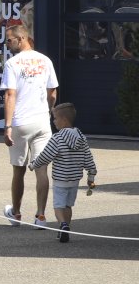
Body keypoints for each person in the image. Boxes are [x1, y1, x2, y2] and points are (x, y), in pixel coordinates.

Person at [2, 24, 58, 228]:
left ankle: (16, 214)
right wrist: (48, 111)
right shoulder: (45, 60)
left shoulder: (12, 63)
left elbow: (10, 94)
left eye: (9, 40)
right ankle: (40, 216)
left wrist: (7, 126)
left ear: (21, 39)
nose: (7, 44)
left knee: (19, 170)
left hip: (20, 122)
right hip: (42, 121)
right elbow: (53, 93)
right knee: (42, 169)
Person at [28, 102, 98, 243]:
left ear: (64, 120)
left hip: (60, 179)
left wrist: (34, 164)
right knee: (68, 206)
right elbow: (88, 158)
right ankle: (65, 228)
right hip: (75, 180)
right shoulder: (81, 138)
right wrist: (91, 175)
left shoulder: (58, 138)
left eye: (55, 118)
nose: (53, 121)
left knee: (58, 206)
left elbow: (45, 156)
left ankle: (63, 225)